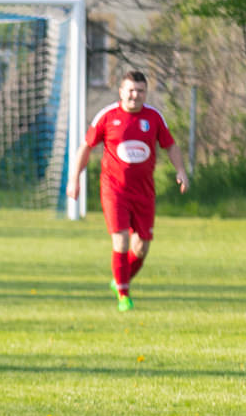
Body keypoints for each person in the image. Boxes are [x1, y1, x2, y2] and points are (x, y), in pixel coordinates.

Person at [68, 70, 189, 312]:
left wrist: (181, 171)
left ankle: (119, 280)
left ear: (145, 92)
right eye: (131, 90)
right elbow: (86, 147)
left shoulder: (154, 117)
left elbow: (170, 145)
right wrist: (74, 179)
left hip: (144, 192)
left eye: (140, 91)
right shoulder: (107, 116)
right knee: (121, 241)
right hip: (114, 190)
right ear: (121, 91)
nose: (135, 95)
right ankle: (123, 295)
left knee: (141, 248)